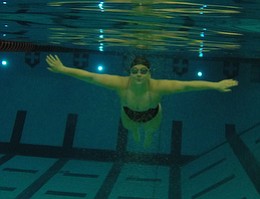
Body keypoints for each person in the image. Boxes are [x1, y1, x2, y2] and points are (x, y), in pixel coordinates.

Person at [46, 54, 238, 148]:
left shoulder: (159, 86)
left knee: (151, 131)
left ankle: (146, 136)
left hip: (153, 115)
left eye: (143, 71)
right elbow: (91, 77)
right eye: (135, 71)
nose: (138, 74)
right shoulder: (120, 83)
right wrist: (63, 69)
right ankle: (137, 133)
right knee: (131, 129)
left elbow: (187, 86)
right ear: (130, 72)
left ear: (149, 73)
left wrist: (215, 85)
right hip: (128, 114)